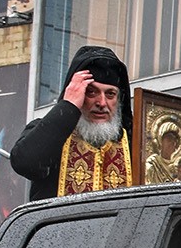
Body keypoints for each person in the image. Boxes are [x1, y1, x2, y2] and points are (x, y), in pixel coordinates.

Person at [11, 46, 133, 199]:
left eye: (110, 94)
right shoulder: (51, 133)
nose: (102, 103)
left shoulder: (133, 143)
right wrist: (68, 106)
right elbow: (26, 163)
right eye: (91, 92)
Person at [143, 115, 181, 184]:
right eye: (169, 139)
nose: (172, 143)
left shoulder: (179, 165)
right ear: (160, 141)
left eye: (175, 141)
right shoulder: (153, 163)